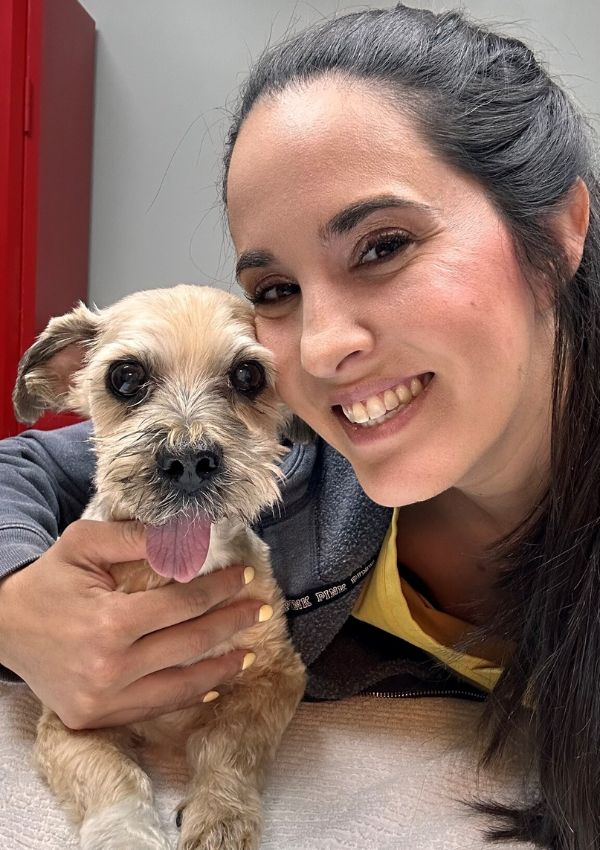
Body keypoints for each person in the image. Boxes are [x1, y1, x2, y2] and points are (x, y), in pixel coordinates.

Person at [0, 3, 597, 847]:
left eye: (383, 245)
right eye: (277, 291)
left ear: (558, 230)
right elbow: (19, 465)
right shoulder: (311, 447)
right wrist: (11, 601)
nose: (317, 350)